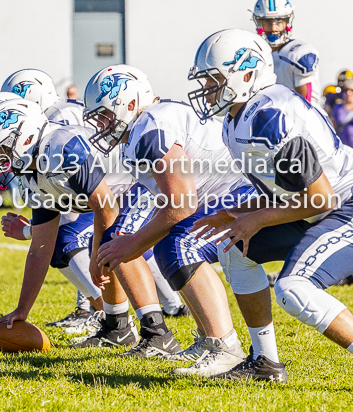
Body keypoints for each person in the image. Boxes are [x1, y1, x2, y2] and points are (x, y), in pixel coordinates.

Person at [187, 28, 353, 392]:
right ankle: (265, 362)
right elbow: (285, 190)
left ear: (247, 74)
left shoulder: (270, 115)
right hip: (326, 207)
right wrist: (239, 213)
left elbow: (321, 198)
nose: (209, 90)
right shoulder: (238, 119)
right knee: (233, 249)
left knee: (294, 287)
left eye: (216, 80)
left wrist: (258, 219)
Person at [87, 65, 260, 376]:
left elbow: (180, 204)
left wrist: (134, 244)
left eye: (104, 115)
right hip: (224, 193)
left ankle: (225, 345)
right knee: (168, 242)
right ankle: (210, 339)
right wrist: (129, 236)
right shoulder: (145, 123)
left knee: (179, 245)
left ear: (129, 104)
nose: (101, 124)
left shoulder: (151, 125)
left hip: (240, 193)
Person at [0, 101, 183, 358]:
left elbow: (106, 208)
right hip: (113, 195)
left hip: (141, 181)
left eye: (3, 151)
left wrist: (97, 255)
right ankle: (117, 327)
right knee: (103, 243)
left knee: (115, 242)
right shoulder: (31, 173)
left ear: (25, 137)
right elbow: (41, 247)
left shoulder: (61, 149)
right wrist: (22, 310)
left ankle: (158, 334)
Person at [252, 0, 321, 106]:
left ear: (287, 22)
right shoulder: (255, 53)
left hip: (301, 119)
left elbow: (306, 106)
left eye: (279, 22)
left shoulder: (298, 54)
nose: (273, 28)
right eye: (267, 22)